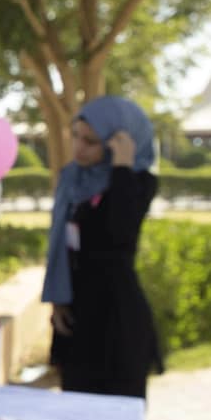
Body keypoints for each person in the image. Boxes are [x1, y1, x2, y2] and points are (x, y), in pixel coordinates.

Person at [42, 96, 163, 399]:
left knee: (120, 413)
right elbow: (60, 243)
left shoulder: (138, 181)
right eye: (76, 136)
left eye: (91, 141)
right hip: (77, 314)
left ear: (115, 142)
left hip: (118, 316)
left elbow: (120, 233)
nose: (79, 148)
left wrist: (121, 166)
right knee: (75, 410)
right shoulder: (72, 178)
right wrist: (58, 298)